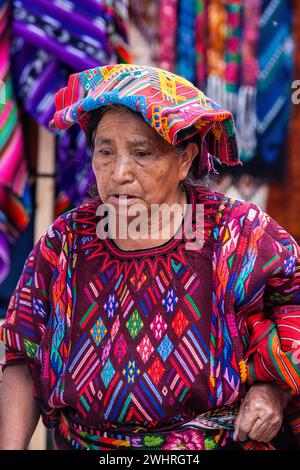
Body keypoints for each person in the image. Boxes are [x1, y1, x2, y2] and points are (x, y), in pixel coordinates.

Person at [0, 64, 299, 451]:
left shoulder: (240, 237)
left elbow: (293, 310)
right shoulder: (64, 244)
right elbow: (22, 355)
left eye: (142, 153)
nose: (120, 172)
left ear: (185, 160)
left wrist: (273, 392)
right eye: (105, 151)